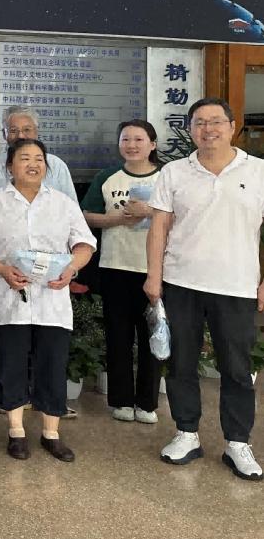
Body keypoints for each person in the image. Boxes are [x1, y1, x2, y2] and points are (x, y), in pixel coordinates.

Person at [146, 97, 264, 481]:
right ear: (190, 129)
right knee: (181, 362)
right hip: (181, 282)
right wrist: (153, 275)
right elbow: (159, 227)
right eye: (199, 122)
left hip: (237, 285)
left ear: (232, 126)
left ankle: (238, 442)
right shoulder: (174, 172)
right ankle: (186, 433)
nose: (207, 129)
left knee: (237, 367)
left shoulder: (259, 171)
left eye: (215, 122)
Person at [0, 139, 96, 463]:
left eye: (39, 159)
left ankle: (51, 433)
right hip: (9, 295)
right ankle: (16, 431)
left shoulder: (63, 203)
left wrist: (71, 268)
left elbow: (84, 244)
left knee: (52, 364)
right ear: (9, 166)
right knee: (11, 364)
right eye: (24, 158)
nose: (33, 164)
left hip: (52, 299)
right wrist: (1, 268)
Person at [81, 120, 163, 424]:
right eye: (125, 139)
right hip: (115, 266)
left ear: (152, 144)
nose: (131, 145)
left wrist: (150, 212)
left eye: (139, 139)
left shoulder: (166, 177)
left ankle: (147, 404)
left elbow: (183, 215)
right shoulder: (107, 177)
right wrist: (116, 219)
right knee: (118, 335)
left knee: (152, 335)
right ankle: (121, 401)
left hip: (154, 268)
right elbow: (86, 215)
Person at [0, 106, 76, 200]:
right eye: (13, 131)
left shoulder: (56, 165)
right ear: (4, 134)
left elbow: (71, 206)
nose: (20, 136)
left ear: (36, 132)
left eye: (27, 130)